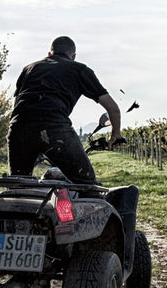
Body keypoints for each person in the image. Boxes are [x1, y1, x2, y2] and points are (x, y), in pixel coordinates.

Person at [7, 36, 122, 184]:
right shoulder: (79, 69)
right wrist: (116, 134)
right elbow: (113, 109)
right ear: (73, 57)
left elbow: (17, 105)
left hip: (19, 128)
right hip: (54, 128)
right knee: (85, 184)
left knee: (18, 184)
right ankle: (87, 194)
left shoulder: (29, 68)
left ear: (50, 54)